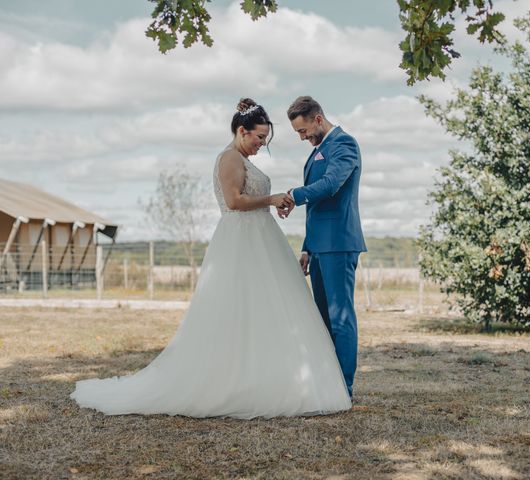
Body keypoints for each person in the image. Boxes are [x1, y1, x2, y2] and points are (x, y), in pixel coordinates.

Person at [70, 98, 351, 418]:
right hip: (242, 241)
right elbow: (234, 201)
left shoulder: (244, 156)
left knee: (270, 309)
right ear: (241, 131)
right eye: (259, 137)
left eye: (264, 138)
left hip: (262, 239)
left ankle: (274, 376)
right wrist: (271, 198)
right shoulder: (229, 158)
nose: (262, 144)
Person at [282, 96, 366, 399]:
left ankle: (344, 387)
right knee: (323, 319)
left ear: (318, 119)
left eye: (304, 131)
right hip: (318, 247)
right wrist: (307, 248)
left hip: (339, 245)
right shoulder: (318, 150)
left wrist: (293, 195)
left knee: (341, 318)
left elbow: (331, 185)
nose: (302, 138)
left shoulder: (344, 145)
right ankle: (327, 383)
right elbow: (317, 209)